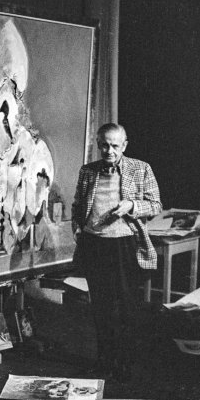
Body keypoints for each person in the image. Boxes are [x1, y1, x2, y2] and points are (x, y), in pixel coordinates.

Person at [72, 123, 162, 381]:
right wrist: (78, 229)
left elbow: (156, 204)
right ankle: (104, 363)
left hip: (124, 246)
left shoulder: (140, 168)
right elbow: (78, 204)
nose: (108, 151)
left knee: (126, 307)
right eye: (104, 145)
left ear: (124, 145)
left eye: (114, 145)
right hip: (94, 245)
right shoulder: (88, 171)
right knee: (100, 307)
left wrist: (132, 205)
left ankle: (125, 366)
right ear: (98, 144)